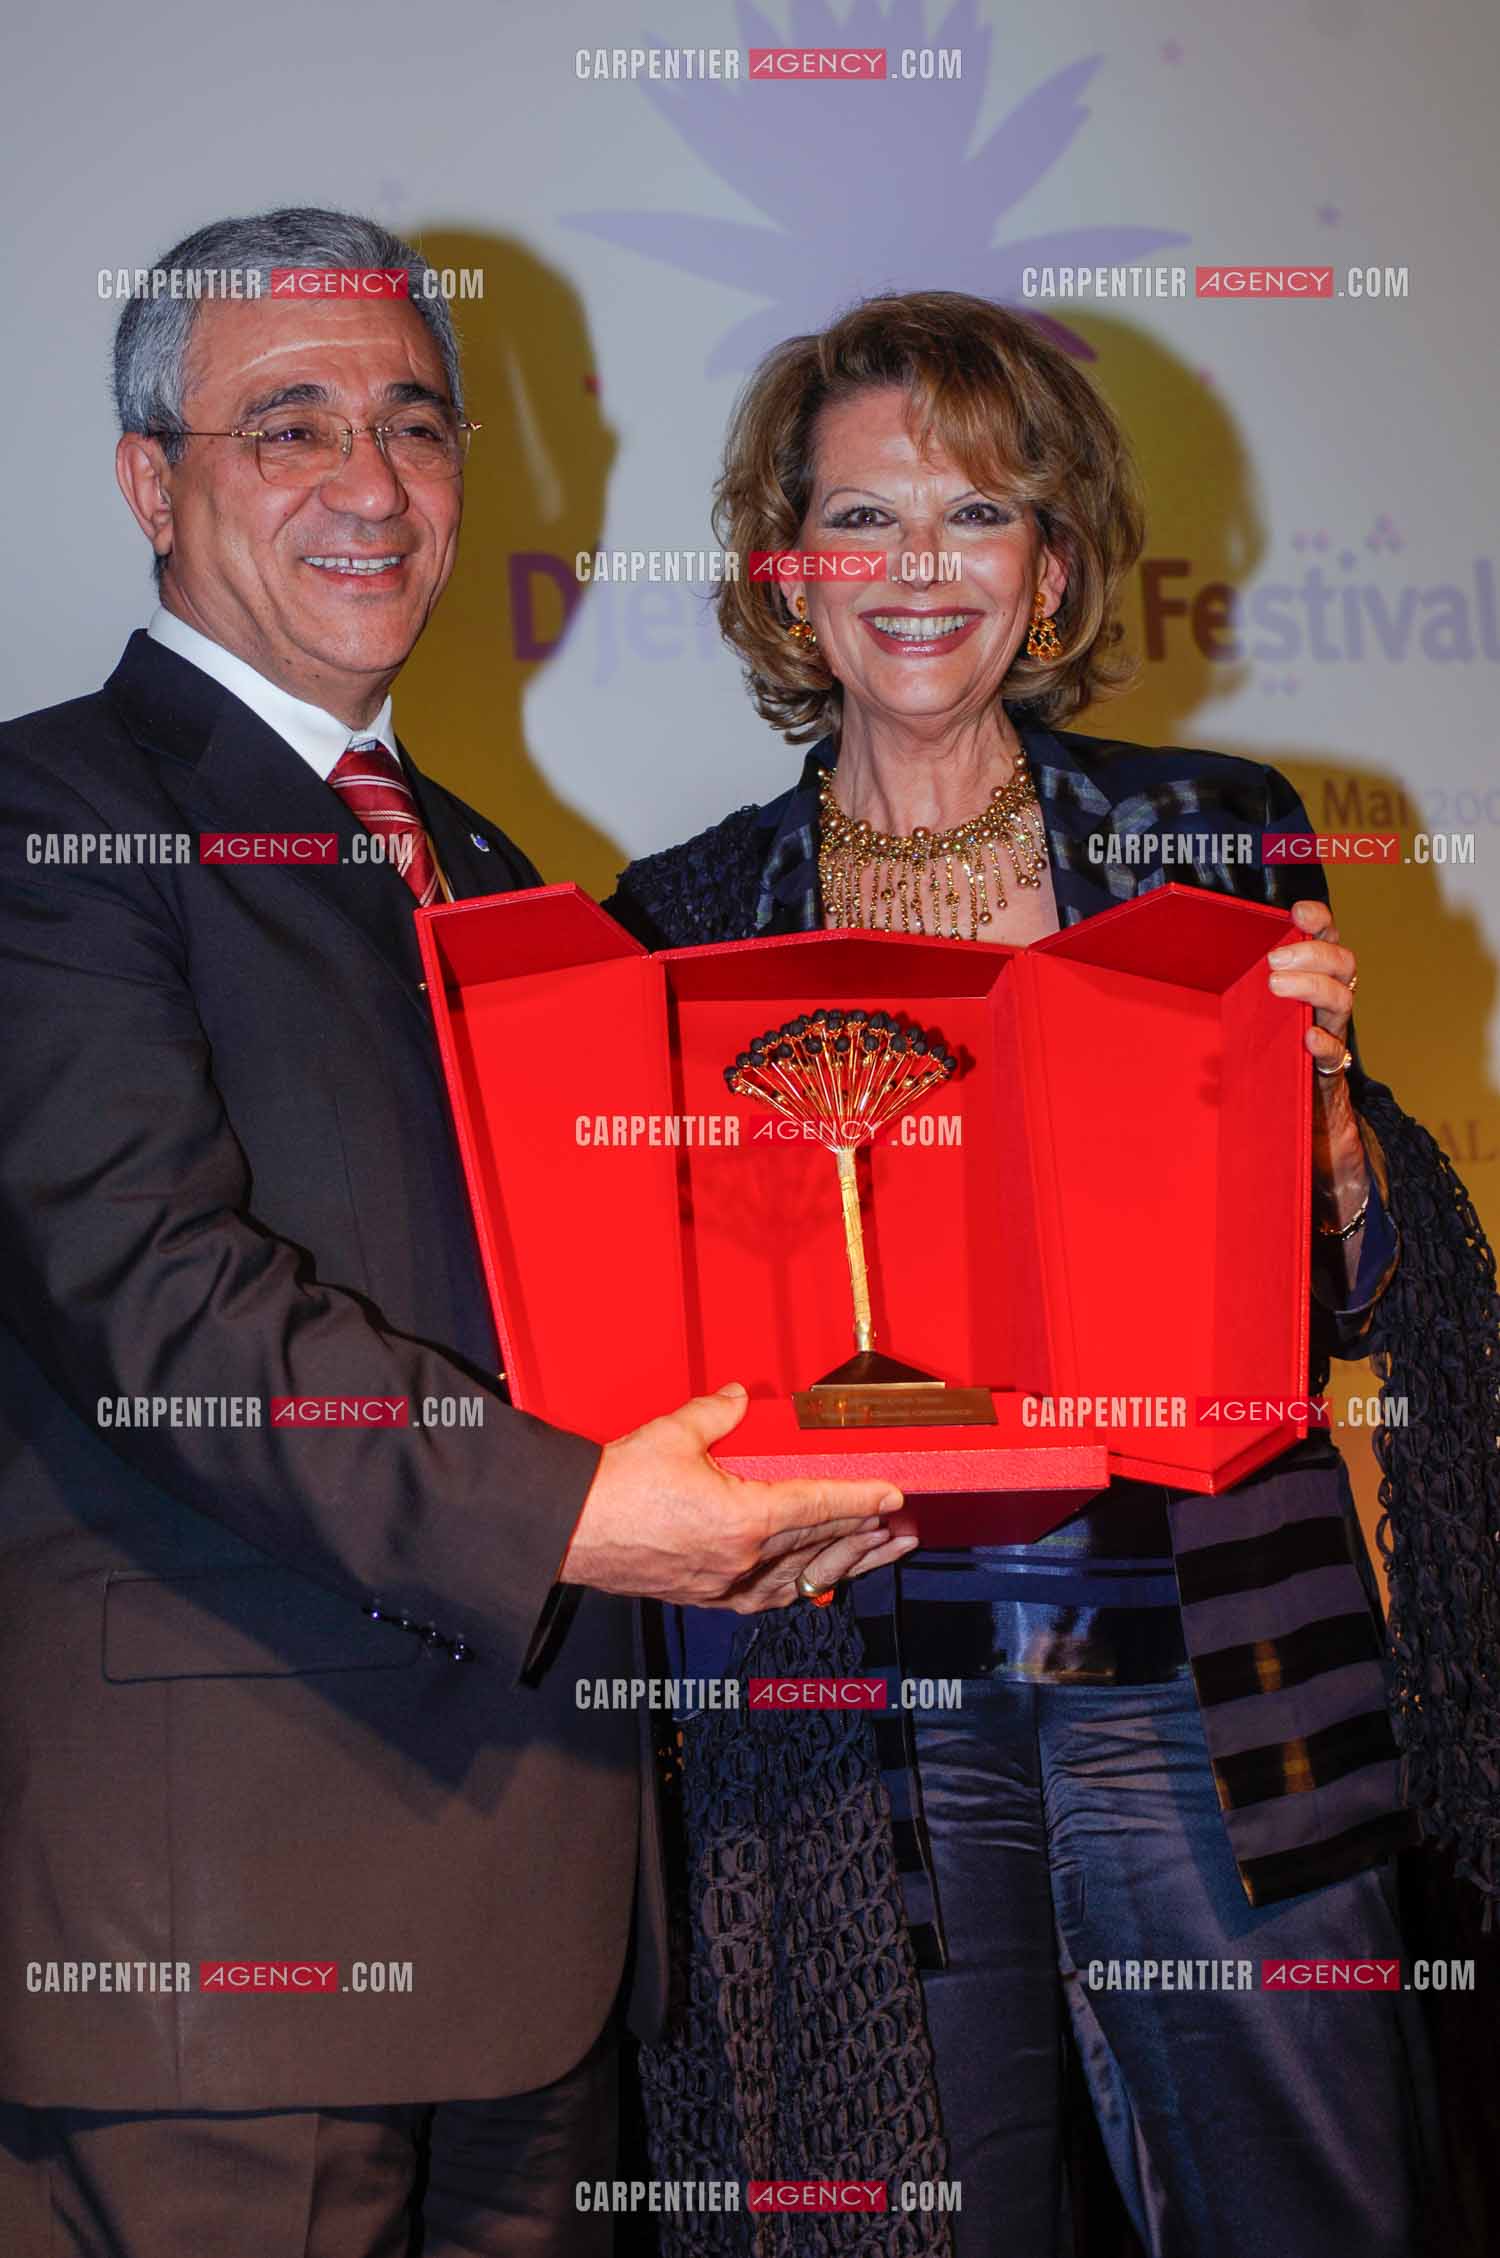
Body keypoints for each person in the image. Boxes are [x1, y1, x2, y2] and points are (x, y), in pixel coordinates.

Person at [0, 209, 913, 2258]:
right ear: (152, 479)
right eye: (288, 423)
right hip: (222, 1947)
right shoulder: (48, 820)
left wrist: (746, 1496)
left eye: (414, 422)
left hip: (539, 1916)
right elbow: (162, 1311)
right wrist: (591, 1510)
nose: (370, 481)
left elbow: (574, 1316)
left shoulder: (498, 870)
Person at [608, 290, 1498, 2258]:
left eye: (975, 513)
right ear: (785, 566)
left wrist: (1334, 1140)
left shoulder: (1213, 841)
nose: (916, 570)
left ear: (1059, 560)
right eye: (860, 520)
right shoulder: (676, 921)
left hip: (1216, 1676)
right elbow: (648, 1343)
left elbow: (1357, 1296)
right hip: (856, 1689)